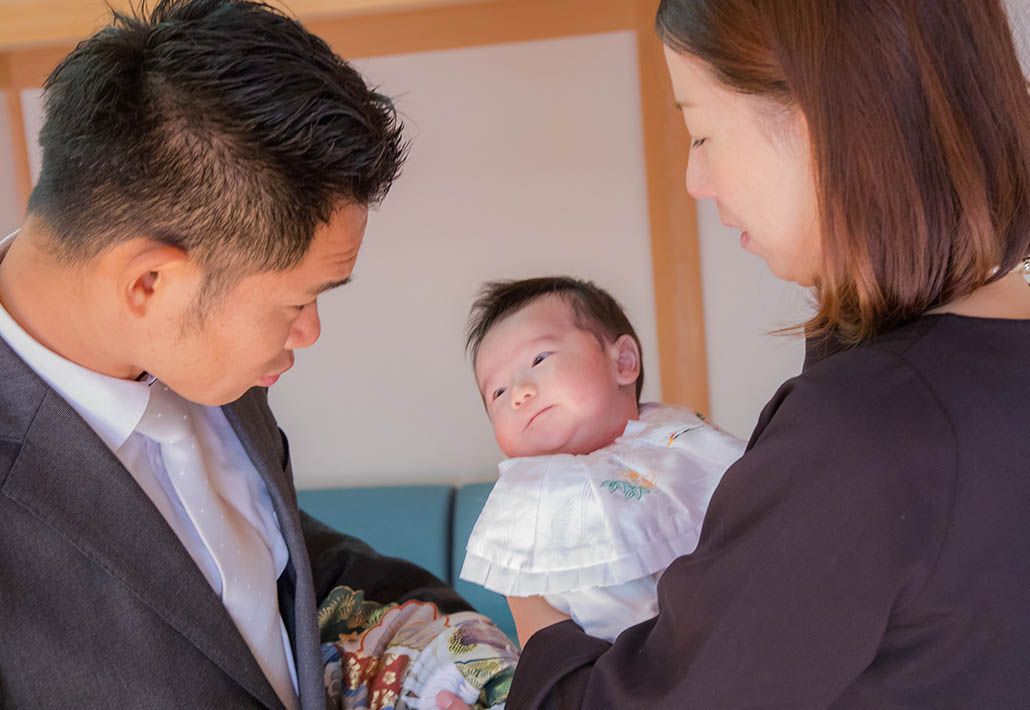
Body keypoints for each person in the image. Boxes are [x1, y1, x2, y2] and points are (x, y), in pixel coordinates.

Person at [443, 0, 1030, 707]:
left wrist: (534, 623)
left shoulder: (865, 431)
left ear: (828, 114)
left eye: (701, 131)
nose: (696, 179)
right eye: (497, 390)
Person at [0, 1, 485, 707]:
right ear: (149, 283)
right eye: (295, 303)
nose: (310, 332)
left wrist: (450, 646)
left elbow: (265, 560)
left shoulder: (196, 354)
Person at [459, 276, 744, 644]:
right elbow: (542, 643)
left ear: (623, 362)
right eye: (497, 392)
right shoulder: (526, 504)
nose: (518, 393)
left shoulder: (674, 440)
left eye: (539, 358)